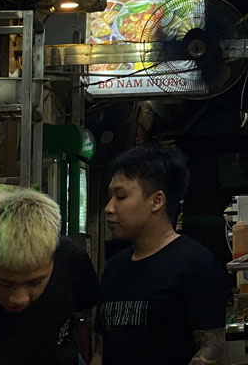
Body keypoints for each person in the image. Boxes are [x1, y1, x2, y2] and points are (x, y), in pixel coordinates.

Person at [93, 146, 225, 365]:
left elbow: (213, 349)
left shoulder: (196, 264)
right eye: (110, 197)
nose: (109, 208)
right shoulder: (115, 267)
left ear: (157, 201)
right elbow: (101, 351)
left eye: (121, 197)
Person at [0, 187, 101, 365]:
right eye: (6, 284)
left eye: (34, 282)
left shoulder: (72, 260)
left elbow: (82, 320)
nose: (20, 299)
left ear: (53, 257)